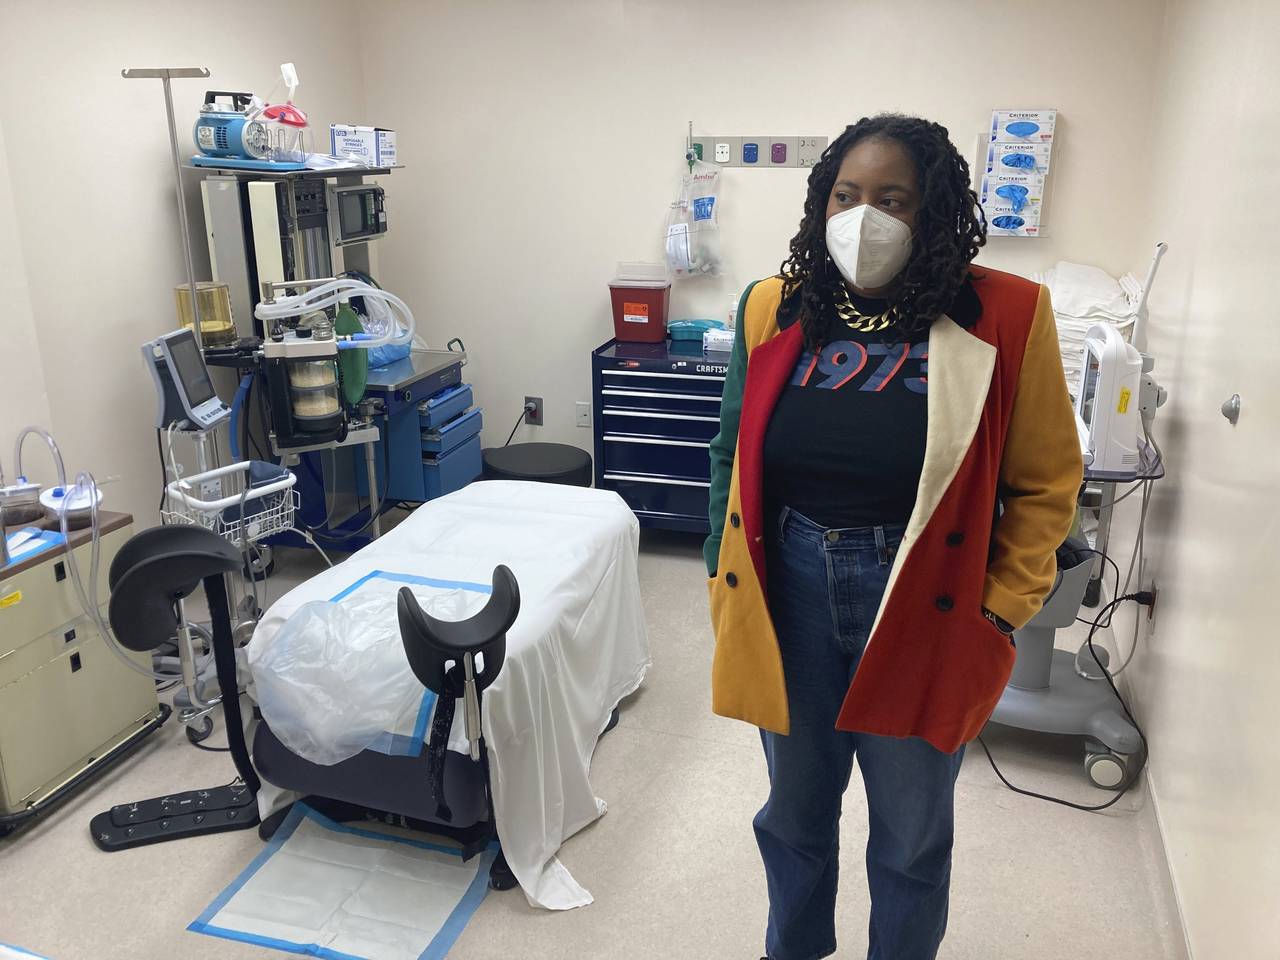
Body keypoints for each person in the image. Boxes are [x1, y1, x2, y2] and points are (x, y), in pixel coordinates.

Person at [704, 114, 1083, 960]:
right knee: (793, 817)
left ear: (933, 210)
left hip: (923, 599)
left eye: (892, 198)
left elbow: (1047, 480)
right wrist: (714, 571)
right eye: (846, 194)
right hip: (790, 590)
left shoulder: (1006, 314)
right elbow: (731, 450)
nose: (863, 215)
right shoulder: (775, 304)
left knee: (911, 838)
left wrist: (997, 610)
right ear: (821, 200)